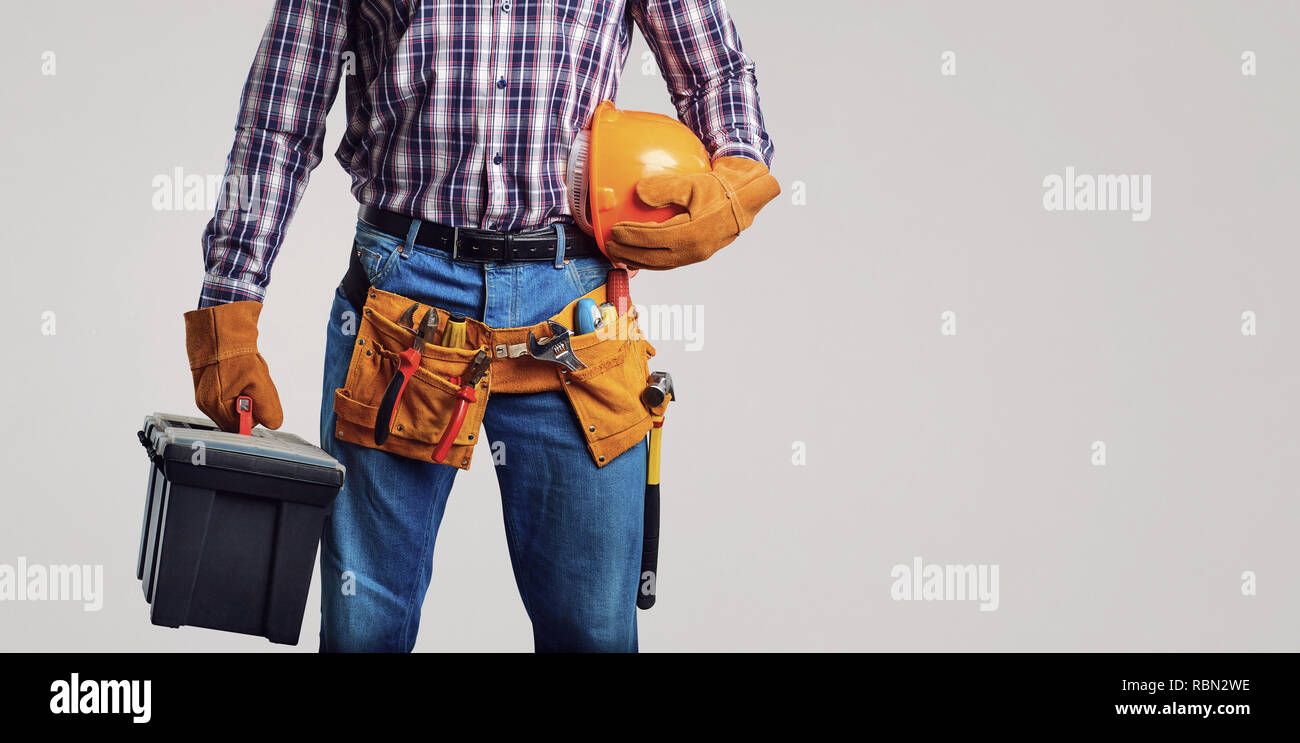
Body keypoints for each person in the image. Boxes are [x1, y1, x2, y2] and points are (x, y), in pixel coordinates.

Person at [182, 0, 779, 652]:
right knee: (364, 630)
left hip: (573, 313)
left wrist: (738, 166)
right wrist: (230, 306)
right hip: (401, 302)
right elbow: (279, 117)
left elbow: (713, 72)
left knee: (595, 631)